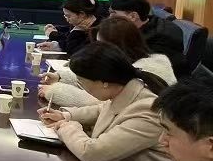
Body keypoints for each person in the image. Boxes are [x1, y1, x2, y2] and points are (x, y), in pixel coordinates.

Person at [38, 42, 172, 161]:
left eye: (82, 81)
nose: (81, 86)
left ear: (104, 82)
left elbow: (93, 153)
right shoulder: (128, 90)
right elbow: (102, 109)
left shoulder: (148, 112)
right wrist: (66, 115)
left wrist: (67, 127)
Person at [40, 17, 176, 107]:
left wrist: (55, 91)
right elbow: (99, 80)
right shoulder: (134, 62)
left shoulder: (145, 72)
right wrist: (60, 77)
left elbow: (102, 104)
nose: (99, 50)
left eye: (103, 45)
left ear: (119, 46)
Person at [109, 0, 186, 75]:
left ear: (133, 16)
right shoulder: (146, 23)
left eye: (113, 14)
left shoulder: (159, 40)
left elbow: (133, 68)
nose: (109, 18)